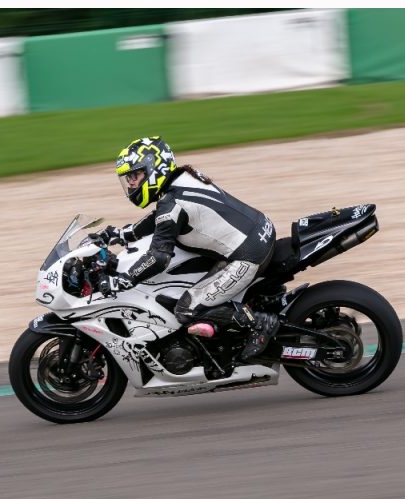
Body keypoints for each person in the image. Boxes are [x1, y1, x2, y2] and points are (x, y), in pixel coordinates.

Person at [99, 136, 279, 360]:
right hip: (260, 230)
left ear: (153, 169)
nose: (131, 184)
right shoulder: (182, 178)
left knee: (186, 309)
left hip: (247, 255)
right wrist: (123, 234)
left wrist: (124, 279)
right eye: (128, 179)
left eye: (134, 176)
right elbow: (161, 219)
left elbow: (158, 257)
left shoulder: (171, 203)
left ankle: (260, 323)